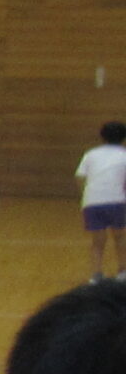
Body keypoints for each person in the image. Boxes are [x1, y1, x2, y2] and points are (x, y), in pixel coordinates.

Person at [79, 119, 126, 282]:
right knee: (120, 238)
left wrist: (86, 195)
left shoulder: (91, 154)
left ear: (102, 136)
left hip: (93, 201)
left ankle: (96, 275)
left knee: (97, 241)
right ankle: (122, 272)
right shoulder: (124, 155)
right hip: (117, 201)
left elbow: (80, 177)